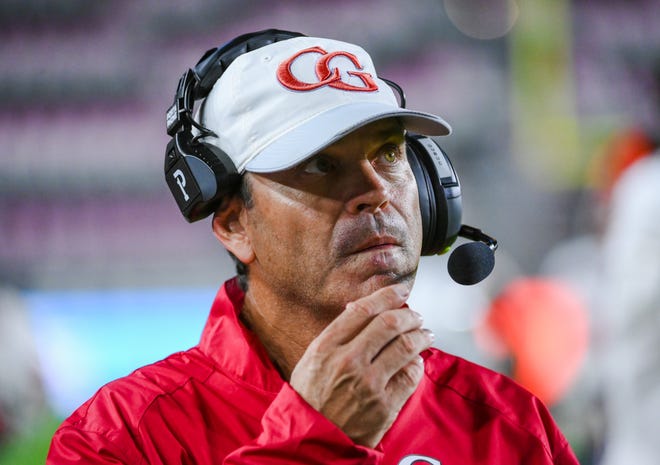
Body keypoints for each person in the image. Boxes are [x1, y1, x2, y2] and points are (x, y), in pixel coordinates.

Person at [47, 30, 579, 464]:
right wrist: (312, 444)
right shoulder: (118, 440)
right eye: (321, 164)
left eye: (390, 154)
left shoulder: (509, 424)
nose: (377, 191)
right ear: (234, 224)